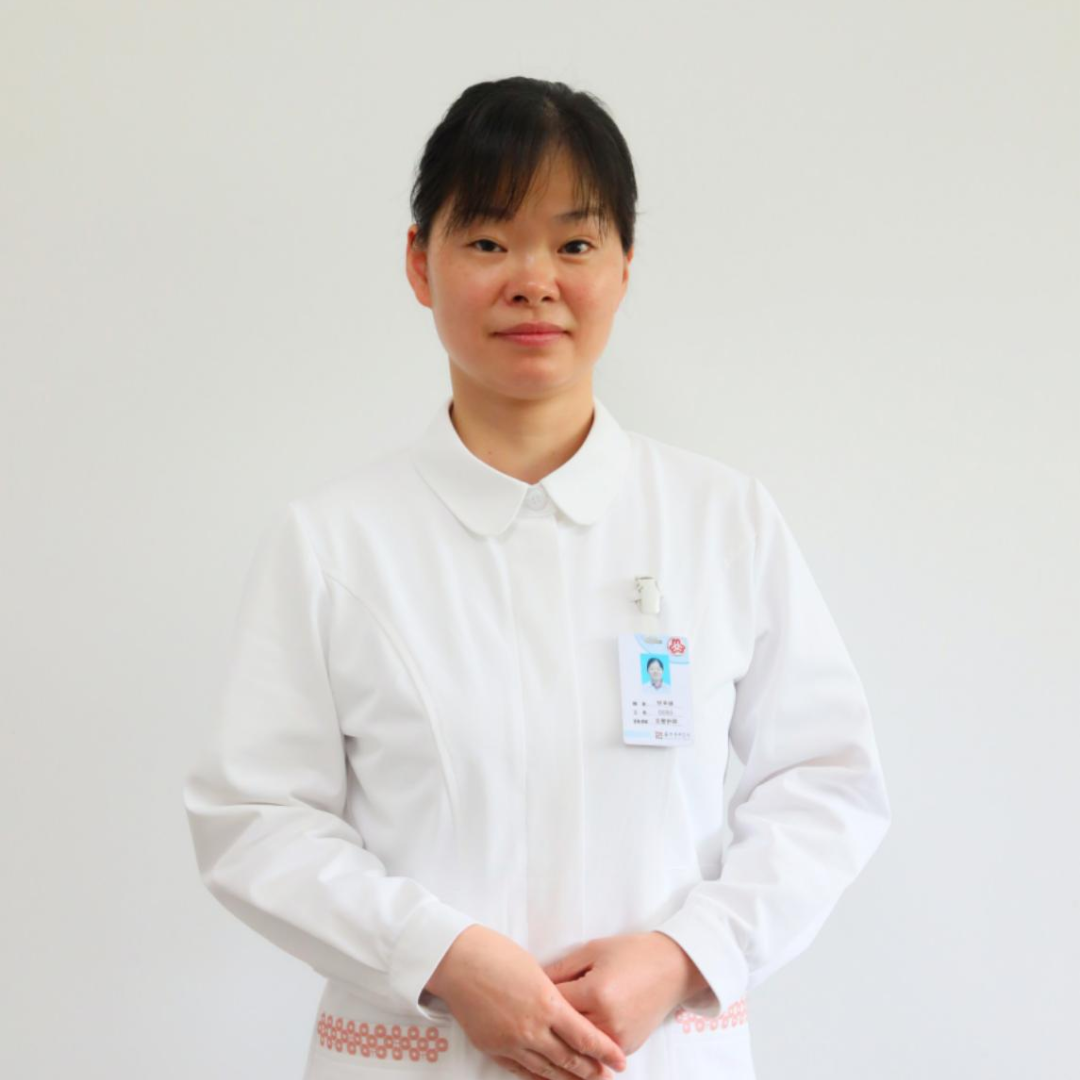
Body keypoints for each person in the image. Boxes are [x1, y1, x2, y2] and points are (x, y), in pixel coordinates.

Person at [182, 76, 892, 1080]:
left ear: (625, 265)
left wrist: (685, 955)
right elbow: (254, 820)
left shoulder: (722, 521)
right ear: (419, 263)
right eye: (487, 241)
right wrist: (439, 956)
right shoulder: (334, 544)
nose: (533, 280)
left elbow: (827, 782)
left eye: (574, 244)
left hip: (658, 1055)